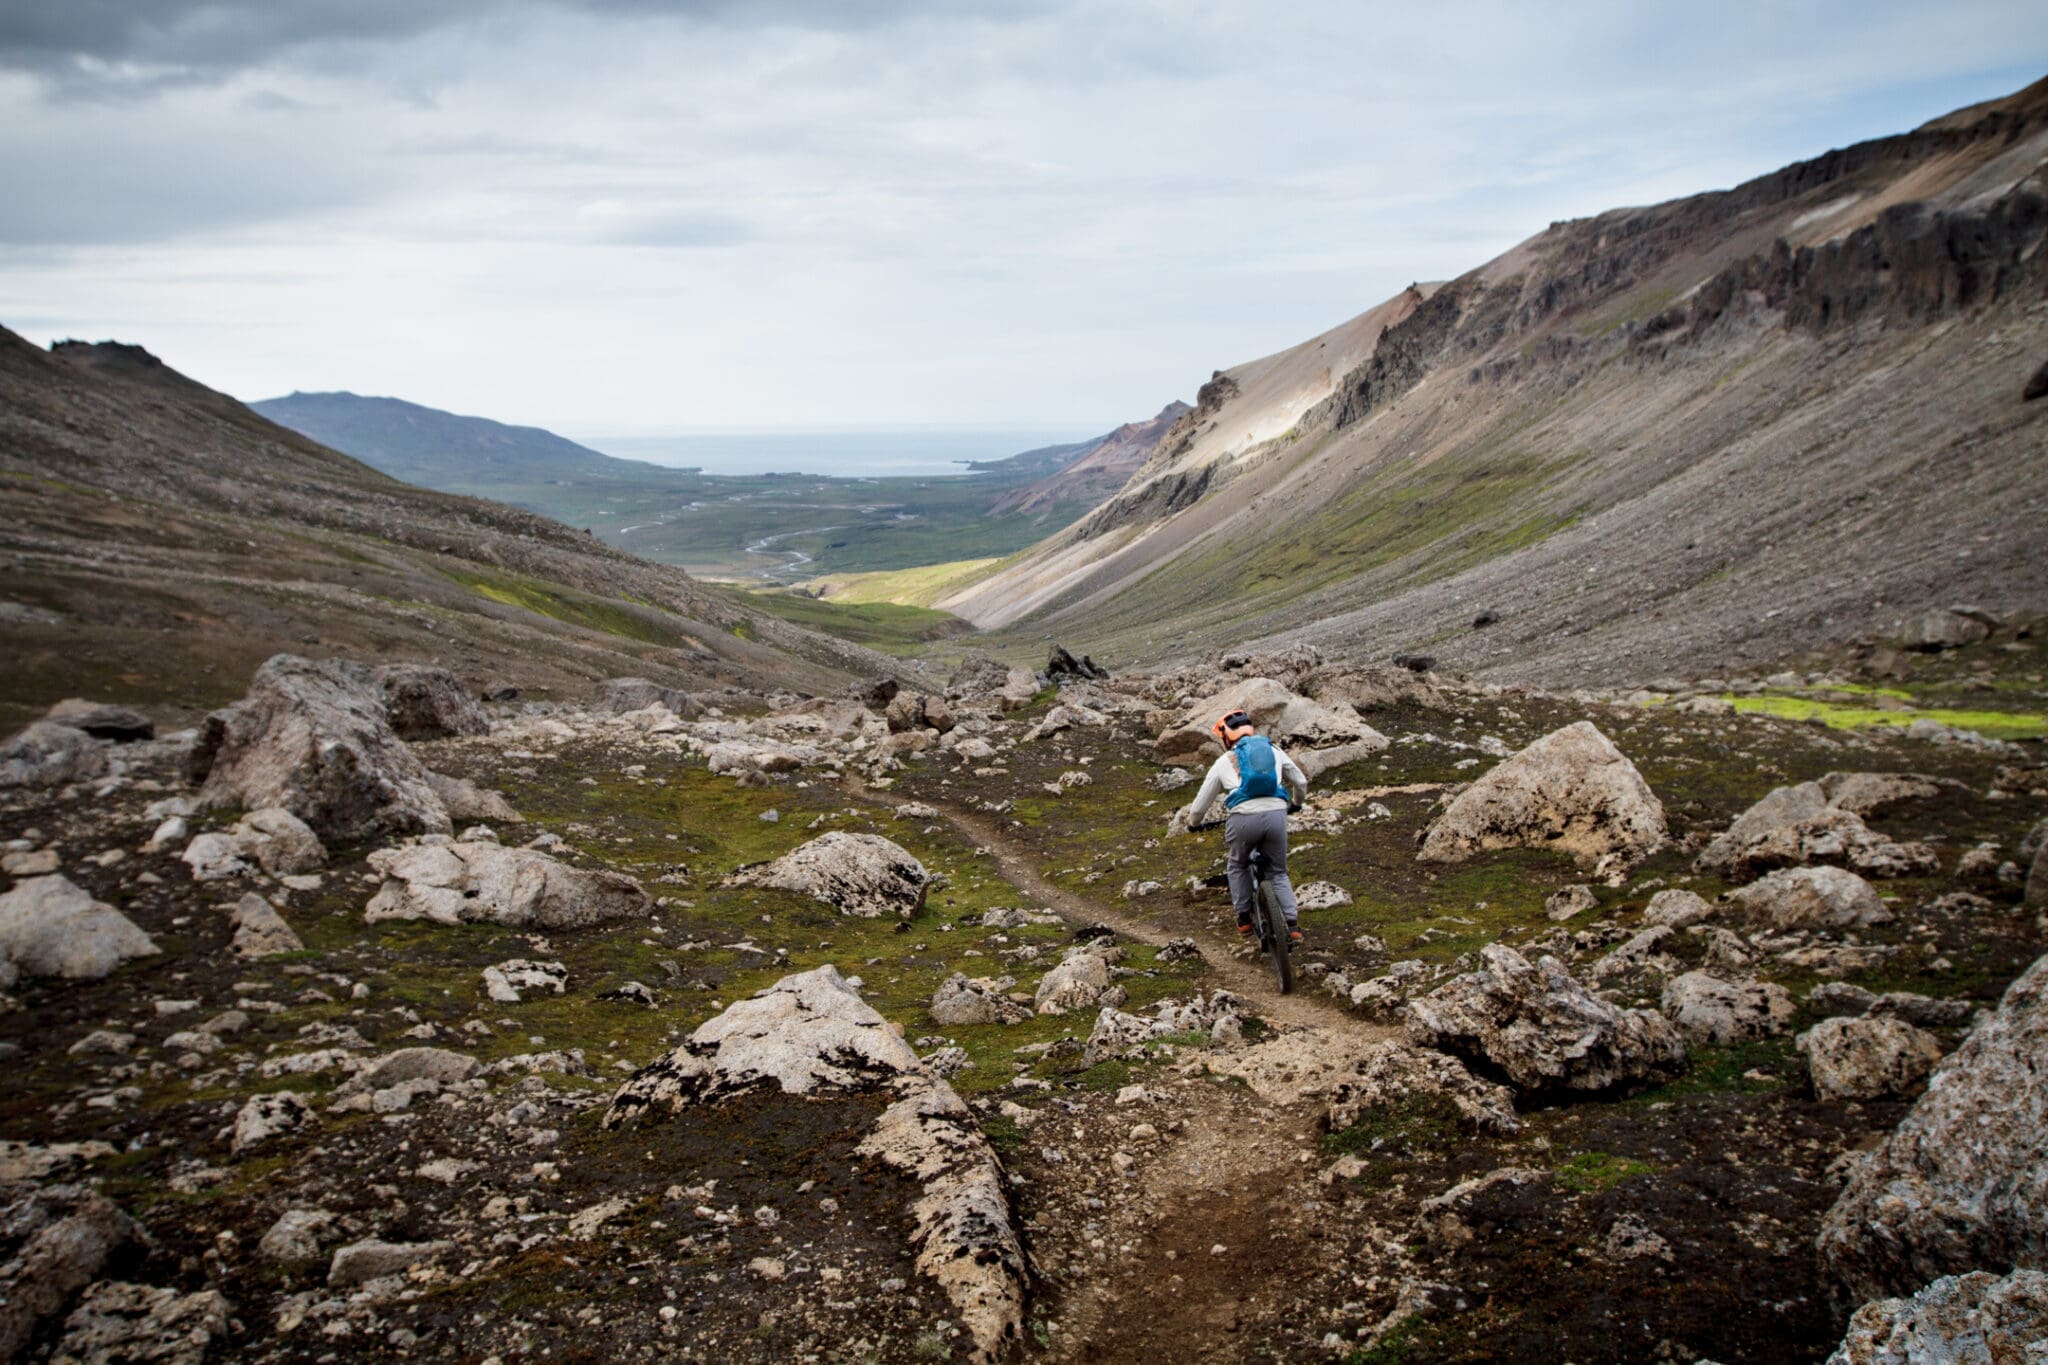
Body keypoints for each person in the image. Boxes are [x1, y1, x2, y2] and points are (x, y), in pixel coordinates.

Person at [1182, 709, 1308, 941]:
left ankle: (1243, 919)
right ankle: (1292, 925)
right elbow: (1300, 781)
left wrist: (1194, 824)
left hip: (1242, 820)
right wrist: (1296, 804)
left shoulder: (1224, 761)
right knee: (1278, 871)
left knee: (1238, 864)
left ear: (1227, 737)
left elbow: (1200, 806)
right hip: (1276, 815)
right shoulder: (1274, 750)